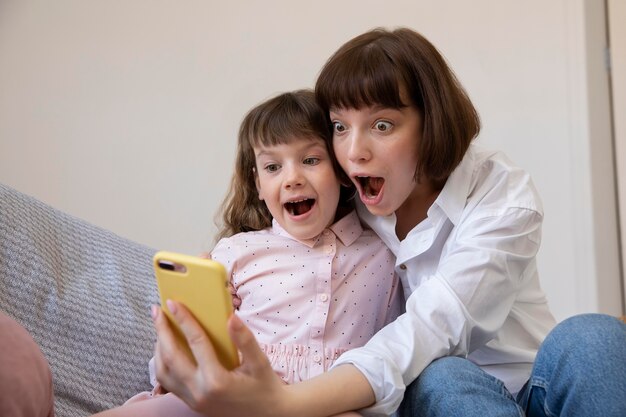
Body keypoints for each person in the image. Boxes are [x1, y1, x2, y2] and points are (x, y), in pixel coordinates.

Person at [150, 27, 626, 416]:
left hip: (533, 389)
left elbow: (430, 329)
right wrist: (211, 294)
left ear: (431, 122)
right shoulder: (348, 205)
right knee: (443, 376)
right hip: (449, 400)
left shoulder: (502, 199)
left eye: (382, 125)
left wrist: (284, 404)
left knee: (591, 335)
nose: (354, 151)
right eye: (340, 127)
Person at [93, 89, 403, 417]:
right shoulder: (236, 252)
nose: (293, 179)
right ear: (257, 185)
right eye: (273, 167)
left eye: (310, 160)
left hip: (328, 404)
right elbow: (173, 367)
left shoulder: (381, 256)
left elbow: (398, 355)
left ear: (340, 171)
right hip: (233, 398)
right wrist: (200, 311)